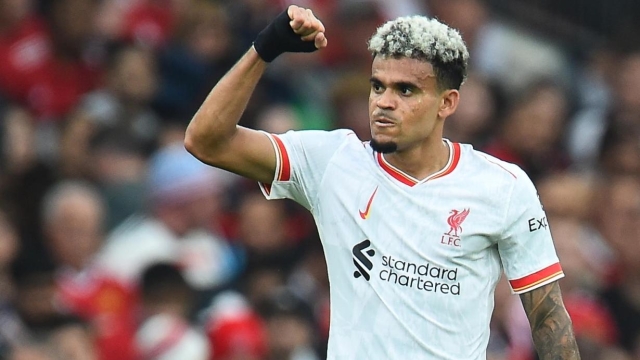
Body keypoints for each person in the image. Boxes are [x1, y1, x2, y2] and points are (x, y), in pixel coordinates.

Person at [184, 5, 580, 359]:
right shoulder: (333, 162)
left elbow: (547, 314)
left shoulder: (503, 186)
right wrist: (265, 48)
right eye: (378, 86)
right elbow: (206, 141)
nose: (383, 102)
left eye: (405, 90)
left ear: (447, 103)